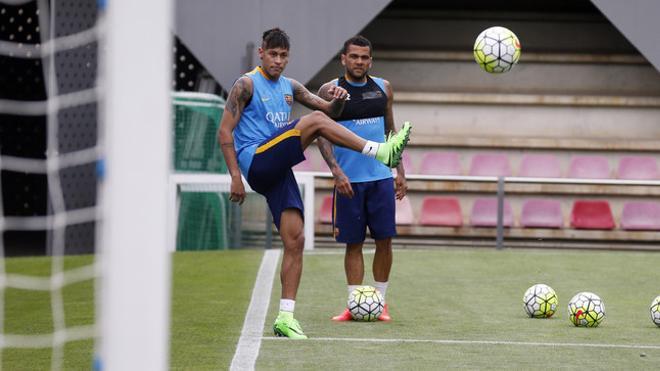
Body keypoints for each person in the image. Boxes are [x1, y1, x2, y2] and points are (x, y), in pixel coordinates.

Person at [218, 28, 411, 339]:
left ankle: (285, 318)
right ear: (262, 54)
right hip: (255, 159)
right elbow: (225, 131)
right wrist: (235, 177)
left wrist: (338, 100)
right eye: (273, 54)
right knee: (315, 124)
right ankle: (380, 151)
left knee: (295, 240)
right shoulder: (245, 84)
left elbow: (329, 112)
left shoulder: (290, 86)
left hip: (277, 167)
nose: (278, 61)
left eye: (283, 56)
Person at [317, 35, 408, 322]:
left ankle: (380, 303)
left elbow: (392, 132)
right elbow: (321, 133)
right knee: (353, 244)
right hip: (348, 182)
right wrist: (336, 171)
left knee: (384, 241)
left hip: (380, 179)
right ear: (343, 58)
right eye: (354, 56)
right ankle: (354, 304)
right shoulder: (330, 90)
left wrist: (400, 171)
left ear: (371, 59)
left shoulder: (383, 88)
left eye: (364, 57)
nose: (359, 62)